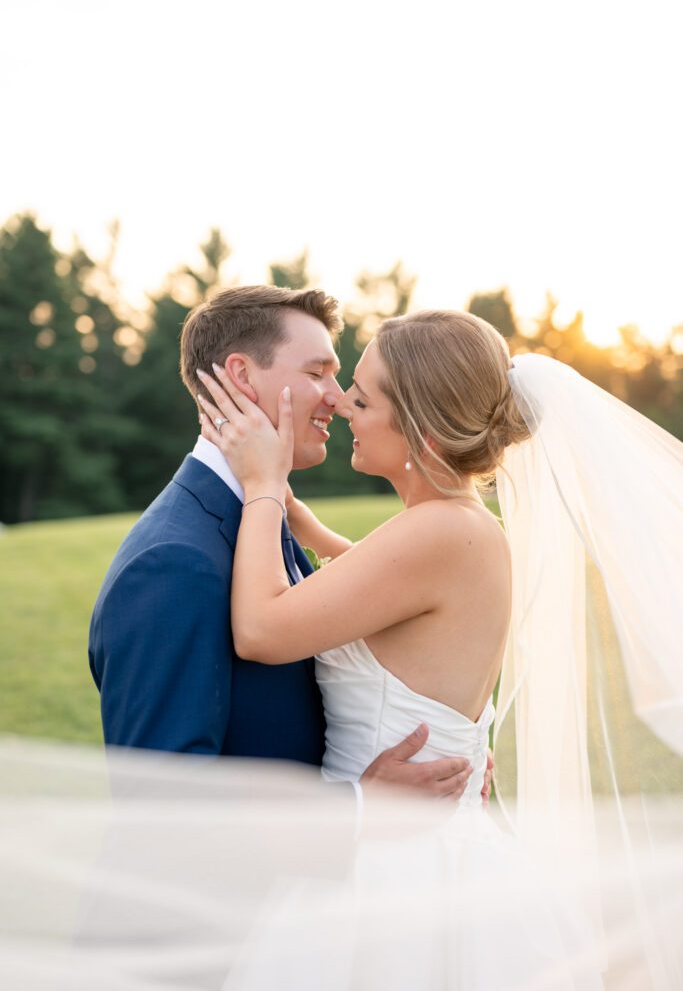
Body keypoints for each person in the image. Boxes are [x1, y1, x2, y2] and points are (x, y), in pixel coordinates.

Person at [198, 307, 683, 989]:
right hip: (429, 847)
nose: (339, 402)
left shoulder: (433, 536)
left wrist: (262, 490)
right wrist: (306, 523)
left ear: (420, 430)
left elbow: (261, 630)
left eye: (362, 397)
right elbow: (379, 594)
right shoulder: (458, 528)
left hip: (395, 872)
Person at [88, 286, 480, 801]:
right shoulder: (172, 562)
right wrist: (360, 806)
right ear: (243, 377)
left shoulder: (265, 519)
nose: (338, 398)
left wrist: (447, 754)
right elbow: (164, 809)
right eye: (317, 373)